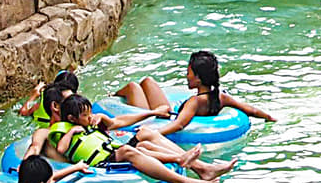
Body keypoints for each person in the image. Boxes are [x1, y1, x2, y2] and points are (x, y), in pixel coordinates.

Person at [23, 90, 231, 183]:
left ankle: (202, 168)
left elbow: (117, 123)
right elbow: (37, 149)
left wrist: (103, 120)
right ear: (57, 107)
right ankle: (186, 181)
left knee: (145, 137)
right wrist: (21, 175)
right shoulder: (48, 132)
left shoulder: (88, 122)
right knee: (132, 152)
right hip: (100, 163)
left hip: (110, 150)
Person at [114, 51, 276, 141]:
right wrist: (269, 117)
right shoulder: (220, 97)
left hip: (157, 120)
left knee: (133, 87)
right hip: (167, 113)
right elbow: (251, 110)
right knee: (148, 81)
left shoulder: (195, 102)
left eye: (189, 73)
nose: (186, 76)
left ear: (198, 78)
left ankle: (112, 98)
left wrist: (153, 132)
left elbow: (179, 125)